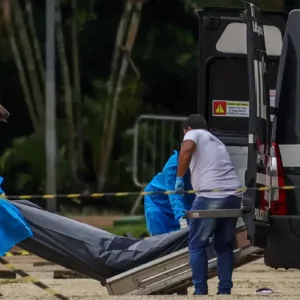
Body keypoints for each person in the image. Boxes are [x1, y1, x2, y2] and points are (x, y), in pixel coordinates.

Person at [175, 114, 242, 295]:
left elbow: (187, 150)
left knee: (197, 244)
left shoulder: (192, 134)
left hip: (210, 196)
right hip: (234, 197)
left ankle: (201, 291)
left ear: (187, 129)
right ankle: (225, 291)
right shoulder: (217, 141)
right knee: (224, 246)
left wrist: (179, 178)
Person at [144, 150, 194, 236]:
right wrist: (182, 222)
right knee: (161, 240)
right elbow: (174, 196)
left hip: (185, 203)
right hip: (158, 203)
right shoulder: (172, 166)